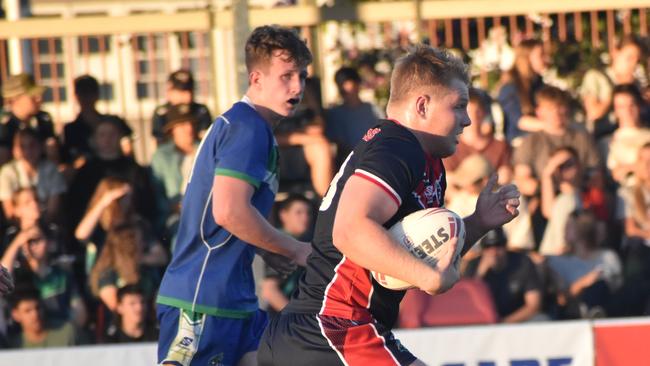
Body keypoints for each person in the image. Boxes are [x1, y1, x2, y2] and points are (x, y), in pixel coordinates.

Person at [258, 45, 520, 366]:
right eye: (460, 105)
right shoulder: (398, 145)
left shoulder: (425, 161)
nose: (466, 120)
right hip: (332, 327)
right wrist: (429, 279)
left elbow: (415, 257)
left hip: (324, 330)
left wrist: (478, 222)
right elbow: (350, 231)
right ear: (422, 104)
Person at [156, 25, 313, 366]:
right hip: (203, 297)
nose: (298, 86)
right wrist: (295, 247)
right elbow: (228, 212)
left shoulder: (251, 127)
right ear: (256, 78)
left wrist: (264, 247)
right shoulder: (248, 128)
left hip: (234, 298)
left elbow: (221, 208)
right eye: (286, 76)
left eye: (302, 75)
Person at [463, 228, 542, 323]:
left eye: (498, 245)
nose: (493, 252)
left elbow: (533, 305)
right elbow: (467, 304)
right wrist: (480, 274)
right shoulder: (473, 266)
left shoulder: (522, 262)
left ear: (505, 246)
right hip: (482, 321)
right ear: (482, 250)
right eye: (488, 247)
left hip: (517, 320)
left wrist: (504, 323)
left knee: (541, 320)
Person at [150, 104, 199, 246]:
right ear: (172, 130)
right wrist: (171, 207)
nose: (189, 128)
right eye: (183, 124)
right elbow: (155, 191)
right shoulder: (161, 156)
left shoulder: (205, 150)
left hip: (204, 212)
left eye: (191, 123)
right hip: (174, 215)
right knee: (180, 234)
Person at [444, 87, 512, 185]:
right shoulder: (449, 149)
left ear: (484, 113)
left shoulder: (500, 146)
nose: (474, 118)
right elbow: (449, 185)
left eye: (477, 112)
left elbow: (506, 176)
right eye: (468, 112)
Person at [0, 128, 66, 224]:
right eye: (22, 146)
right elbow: (10, 213)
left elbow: (53, 211)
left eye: (32, 145)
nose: (28, 151)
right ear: (15, 150)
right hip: (19, 227)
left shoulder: (51, 170)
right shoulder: (7, 173)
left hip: (47, 226)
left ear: (41, 147)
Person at [261, 194, 313, 314]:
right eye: (298, 212)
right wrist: (295, 318)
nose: (305, 217)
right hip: (281, 318)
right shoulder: (280, 245)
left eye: (308, 213)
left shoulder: (302, 242)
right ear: (283, 215)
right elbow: (270, 290)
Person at [579, 35, 645, 129]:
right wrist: (618, 89)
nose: (634, 64)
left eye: (637, 60)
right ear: (615, 53)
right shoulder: (596, 77)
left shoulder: (635, 82)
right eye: (630, 58)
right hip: (604, 135)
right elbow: (593, 113)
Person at [63, 75, 132, 164]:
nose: (87, 97)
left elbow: (128, 150)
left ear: (97, 94)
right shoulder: (71, 129)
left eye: (90, 92)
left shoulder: (114, 122)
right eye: (83, 93)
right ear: (76, 96)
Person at [325, 66, 381, 165]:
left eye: (347, 83)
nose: (344, 88)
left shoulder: (372, 109)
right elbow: (337, 143)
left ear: (357, 83)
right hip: (348, 164)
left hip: (373, 159)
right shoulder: (335, 113)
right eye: (341, 84)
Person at [496, 39, 546, 144]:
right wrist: (550, 125)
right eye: (541, 55)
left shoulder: (538, 84)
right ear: (527, 59)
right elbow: (519, 121)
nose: (546, 59)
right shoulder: (510, 87)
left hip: (539, 138)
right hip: (519, 141)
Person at [0, 73, 54, 165]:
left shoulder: (43, 120)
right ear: (14, 99)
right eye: (32, 96)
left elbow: (54, 157)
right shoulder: (4, 126)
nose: (39, 98)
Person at [605, 84, 650, 185]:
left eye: (631, 105)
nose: (628, 111)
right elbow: (615, 175)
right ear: (615, 111)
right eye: (621, 107)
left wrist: (631, 167)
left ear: (640, 106)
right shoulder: (608, 142)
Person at [151, 69, 212, 144]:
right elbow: (157, 141)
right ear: (170, 91)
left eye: (189, 90)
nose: (187, 95)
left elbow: (207, 140)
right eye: (181, 91)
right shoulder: (161, 113)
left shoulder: (201, 110)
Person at [8, 288, 78, 348]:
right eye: (28, 311)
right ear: (15, 315)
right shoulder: (14, 346)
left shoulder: (67, 332)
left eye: (38, 308)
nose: (35, 314)